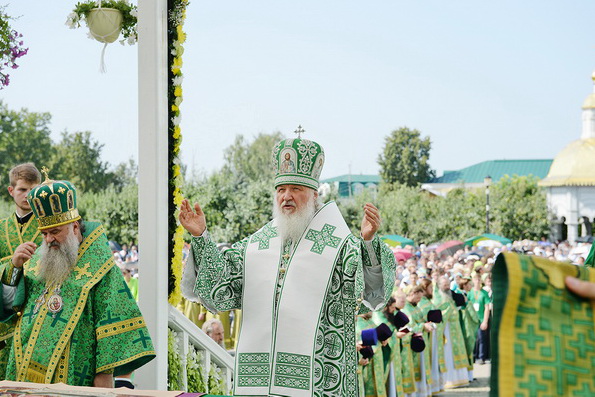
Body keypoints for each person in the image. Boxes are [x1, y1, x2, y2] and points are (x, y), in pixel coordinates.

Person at [180, 136, 396, 397]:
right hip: (259, 378)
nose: (286, 197)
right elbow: (220, 287)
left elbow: (370, 291)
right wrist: (201, 236)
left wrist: (368, 241)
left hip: (318, 377)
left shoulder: (338, 246)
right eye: (281, 190)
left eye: (295, 189)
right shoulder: (256, 245)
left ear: (314, 195)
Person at [0, 173, 155, 387]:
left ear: (74, 227)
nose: (48, 239)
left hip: (73, 379)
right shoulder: (38, 261)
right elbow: (10, 306)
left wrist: (103, 390)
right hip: (24, 376)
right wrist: (14, 267)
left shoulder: (101, 268)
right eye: (44, 233)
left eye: (55, 231)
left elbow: (110, 339)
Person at [0, 163, 43, 378]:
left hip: (38, 321)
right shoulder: (0, 229)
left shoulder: (50, 227)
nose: (28, 195)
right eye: (22, 190)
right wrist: (12, 265)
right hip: (4, 325)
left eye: (33, 190)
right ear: (11, 191)